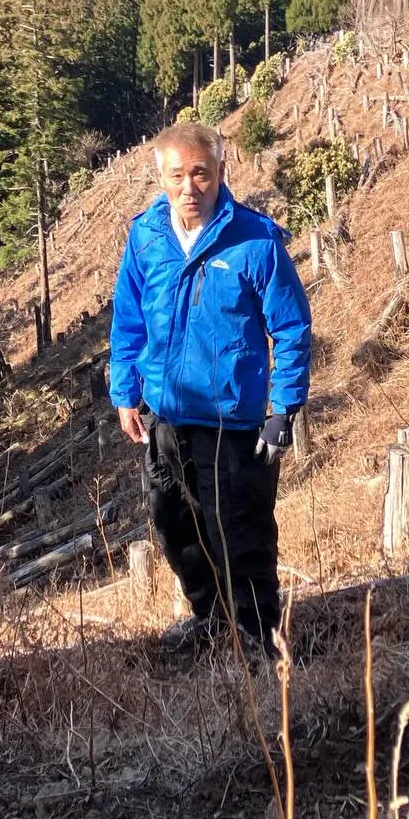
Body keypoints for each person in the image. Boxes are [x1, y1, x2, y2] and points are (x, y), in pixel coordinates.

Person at [110, 119, 312, 655]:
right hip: (166, 414)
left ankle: (260, 639)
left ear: (221, 171)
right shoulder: (147, 236)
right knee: (173, 523)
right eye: (177, 175)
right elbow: (129, 316)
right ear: (161, 176)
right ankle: (209, 616)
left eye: (201, 173)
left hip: (233, 418)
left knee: (240, 531)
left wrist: (282, 409)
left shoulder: (254, 240)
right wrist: (125, 389)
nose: (189, 188)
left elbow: (291, 327)